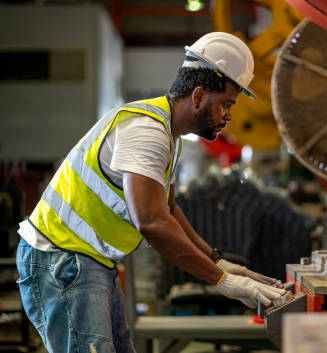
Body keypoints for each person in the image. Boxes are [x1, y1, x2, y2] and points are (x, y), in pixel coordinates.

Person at [14, 32, 286, 353]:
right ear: (198, 96)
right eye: (225, 104)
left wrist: (217, 260)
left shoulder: (169, 134)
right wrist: (220, 281)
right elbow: (152, 222)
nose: (228, 115)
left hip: (87, 259)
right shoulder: (147, 132)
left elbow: (168, 210)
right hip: (63, 258)